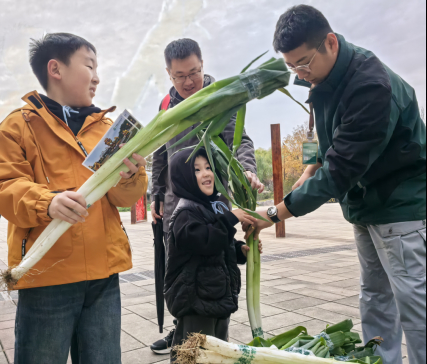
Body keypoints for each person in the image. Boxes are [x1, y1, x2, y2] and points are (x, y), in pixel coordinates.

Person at [248, 5, 426, 364]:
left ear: (330, 42)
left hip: (399, 208)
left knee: (415, 305)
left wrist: (274, 212)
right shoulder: (322, 77)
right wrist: (300, 180)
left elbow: (340, 169)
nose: (299, 74)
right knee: (374, 297)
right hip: (364, 207)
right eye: (291, 66)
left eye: (303, 63)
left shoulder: (371, 87)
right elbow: (325, 148)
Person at [0, 33, 148, 364]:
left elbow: (124, 198)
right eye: (89, 65)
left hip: (103, 276)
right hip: (46, 277)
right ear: (55, 69)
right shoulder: (17, 126)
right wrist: (46, 202)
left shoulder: (107, 128)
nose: (97, 77)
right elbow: (2, 187)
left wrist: (132, 175)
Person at [150, 38, 264, 354]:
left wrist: (247, 172)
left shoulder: (221, 100)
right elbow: (159, 155)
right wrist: (156, 194)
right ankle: (180, 329)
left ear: (203, 65)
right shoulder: (165, 107)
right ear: (169, 74)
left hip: (213, 204)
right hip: (176, 204)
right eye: (179, 76)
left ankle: (211, 334)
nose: (188, 82)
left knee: (212, 261)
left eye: (194, 72)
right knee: (179, 270)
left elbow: (240, 142)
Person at [165, 148, 261, 362]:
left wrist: (240, 250)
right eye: (197, 170)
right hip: (195, 301)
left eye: (208, 168)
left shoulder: (213, 207)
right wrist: (230, 219)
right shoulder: (185, 214)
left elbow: (220, 244)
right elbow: (205, 241)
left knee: (217, 352)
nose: (206, 173)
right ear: (184, 178)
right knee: (193, 353)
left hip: (216, 296)